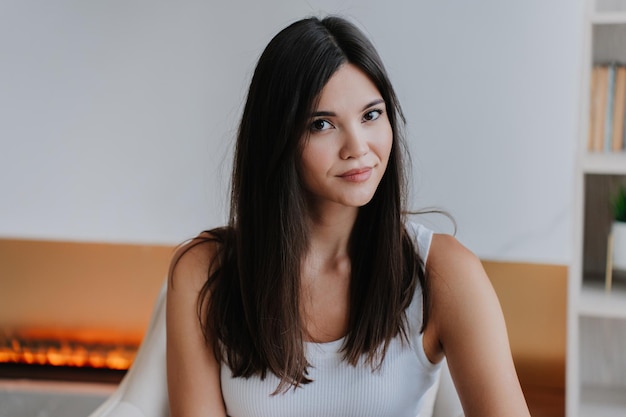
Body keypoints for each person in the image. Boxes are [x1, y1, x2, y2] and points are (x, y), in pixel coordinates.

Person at [166, 15, 531, 417]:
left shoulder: (445, 273)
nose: (357, 147)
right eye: (322, 124)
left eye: (371, 115)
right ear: (277, 139)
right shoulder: (202, 273)